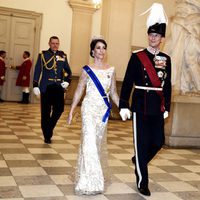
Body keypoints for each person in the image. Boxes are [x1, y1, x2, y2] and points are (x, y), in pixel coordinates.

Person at [119, 3, 171, 196]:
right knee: (141, 144)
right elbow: (127, 82)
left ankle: (139, 160)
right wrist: (124, 104)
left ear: (162, 38)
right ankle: (142, 181)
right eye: (150, 34)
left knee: (158, 141)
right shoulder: (137, 57)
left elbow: (167, 84)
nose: (153, 38)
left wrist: (168, 107)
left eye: (156, 35)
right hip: (140, 105)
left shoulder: (166, 59)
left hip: (157, 106)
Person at [67, 37, 119, 195]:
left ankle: (88, 175)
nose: (101, 50)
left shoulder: (111, 70)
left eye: (104, 47)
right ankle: (90, 183)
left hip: (103, 111)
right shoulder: (86, 70)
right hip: (88, 109)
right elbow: (79, 91)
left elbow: (114, 93)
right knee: (89, 142)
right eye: (98, 48)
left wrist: (124, 107)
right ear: (93, 51)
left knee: (95, 144)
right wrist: (71, 111)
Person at [33, 36, 72, 144]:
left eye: (57, 43)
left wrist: (67, 80)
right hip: (46, 86)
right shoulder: (43, 55)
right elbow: (38, 70)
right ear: (49, 43)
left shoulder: (63, 56)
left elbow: (68, 71)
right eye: (53, 43)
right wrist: (35, 85)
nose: (55, 45)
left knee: (59, 109)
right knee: (45, 112)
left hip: (58, 87)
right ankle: (47, 135)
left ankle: (49, 127)